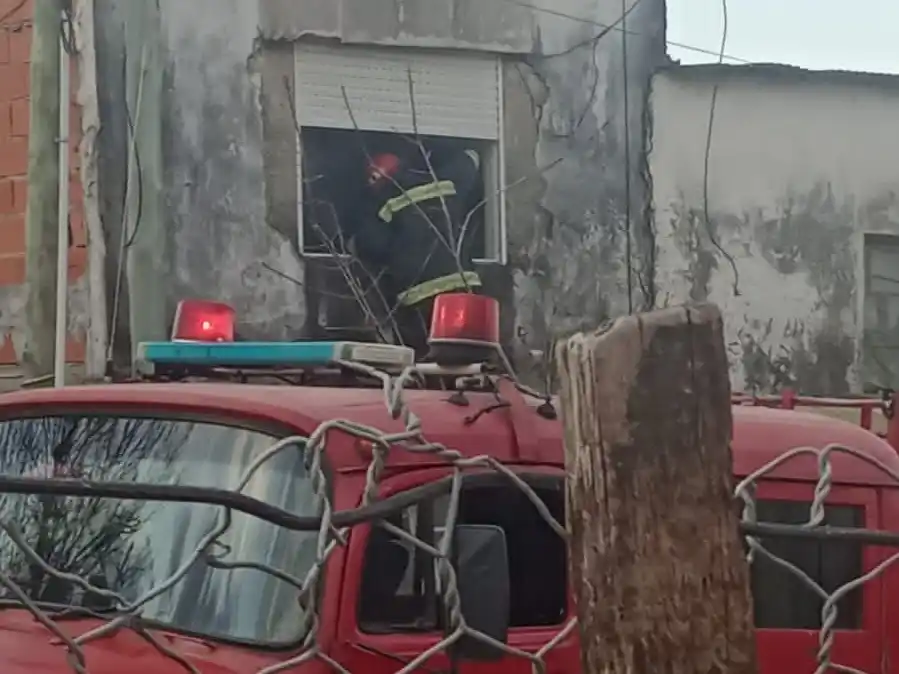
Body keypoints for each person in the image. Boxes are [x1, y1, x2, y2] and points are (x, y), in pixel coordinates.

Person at [357, 145, 484, 356]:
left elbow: (371, 247)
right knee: (466, 356)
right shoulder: (444, 184)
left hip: (418, 297)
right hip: (463, 288)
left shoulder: (384, 203)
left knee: (424, 361)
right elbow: (472, 158)